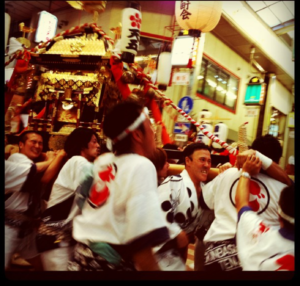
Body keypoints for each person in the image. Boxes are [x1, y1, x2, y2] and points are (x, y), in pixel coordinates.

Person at [68, 101, 169, 271]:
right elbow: (141, 239)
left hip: (82, 256)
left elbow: (82, 199)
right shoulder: (141, 165)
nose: (154, 132)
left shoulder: (104, 162)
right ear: (137, 135)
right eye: (150, 126)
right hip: (105, 264)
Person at [198, 134, 293, 272]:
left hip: (218, 253)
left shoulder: (229, 173)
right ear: (278, 161)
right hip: (259, 255)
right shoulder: (284, 190)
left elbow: (204, 202)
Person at [36, 127, 101, 271]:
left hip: (64, 239)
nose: (98, 146)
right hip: (56, 239)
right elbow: (98, 190)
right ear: (82, 144)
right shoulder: (78, 161)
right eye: (94, 141)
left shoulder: (80, 164)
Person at [152, 142, 217, 270]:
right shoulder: (173, 183)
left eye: (209, 161)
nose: (207, 165)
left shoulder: (206, 191)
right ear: (188, 161)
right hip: (156, 258)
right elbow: (154, 219)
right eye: (202, 160)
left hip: (178, 259)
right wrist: (178, 235)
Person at [5, 130, 63, 271]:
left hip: (27, 229)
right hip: (8, 229)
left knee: (42, 265)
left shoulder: (34, 162)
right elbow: (41, 177)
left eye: (40, 143)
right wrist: (57, 157)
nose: (37, 146)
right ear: (21, 144)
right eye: (33, 142)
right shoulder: (17, 159)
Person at [235, 154, 294, 270]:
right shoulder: (283, 185)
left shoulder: (262, 237)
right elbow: (287, 180)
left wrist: (246, 172)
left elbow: (241, 202)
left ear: (279, 213)